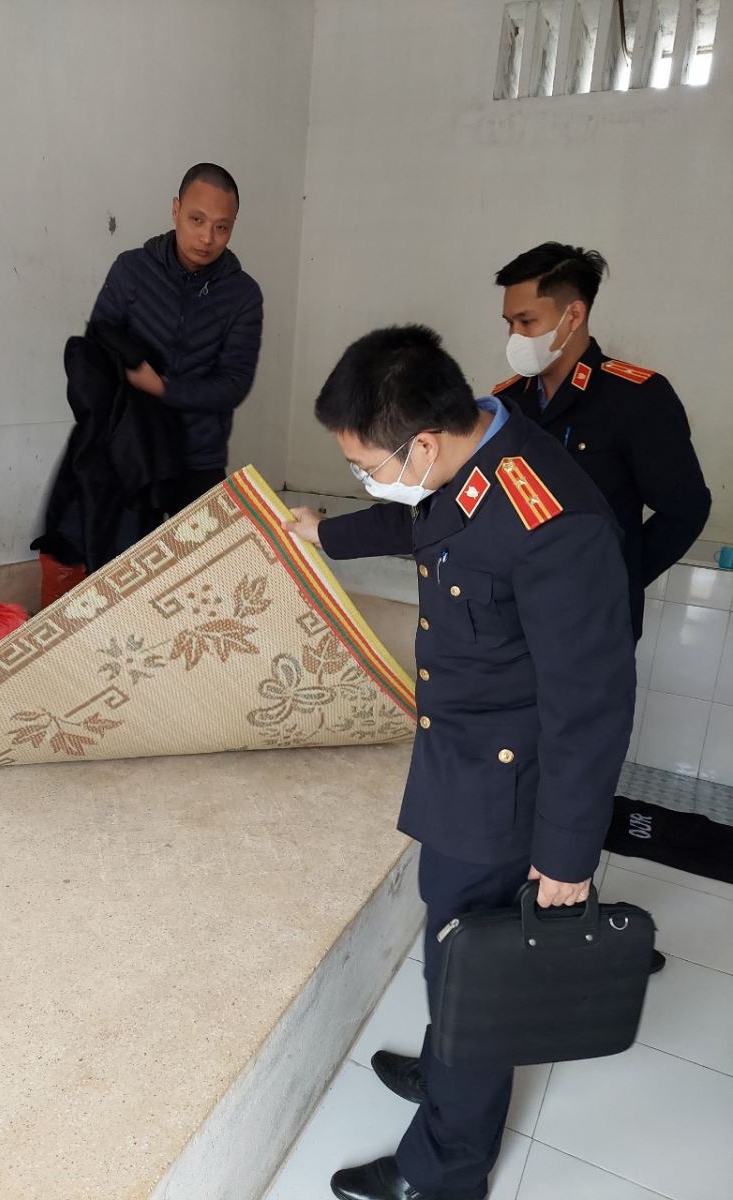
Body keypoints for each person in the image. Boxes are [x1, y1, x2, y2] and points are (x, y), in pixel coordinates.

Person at [284, 325, 635, 1200]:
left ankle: (446, 1168)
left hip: (509, 790)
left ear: (423, 444)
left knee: (474, 965)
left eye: (366, 464)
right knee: (450, 940)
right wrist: (326, 532)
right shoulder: (472, 455)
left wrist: (566, 857)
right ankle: (450, 1073)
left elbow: (590, 704)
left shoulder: (550, 521)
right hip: (462, 762)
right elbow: (422, 520)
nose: (367, 478)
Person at [492, 242, 711, 641]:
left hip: (593, 627)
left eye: (526, 321)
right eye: (509, 323)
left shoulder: (635, 397)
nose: (514, 336)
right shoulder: (507, 402)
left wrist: (614, 578)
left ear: (573, 315)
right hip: (512, 617)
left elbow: (686, 510)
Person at [90, 162, 264, 512]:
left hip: (199, 458)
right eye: (196, 220)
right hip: (130, 449)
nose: (207, 238)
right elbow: (95, 349)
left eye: (222, 227)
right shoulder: (131, 270)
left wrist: (162, 388)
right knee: (124, 547)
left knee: (205, 548)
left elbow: (234, 385)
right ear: (175, 210)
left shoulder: (243, 295)